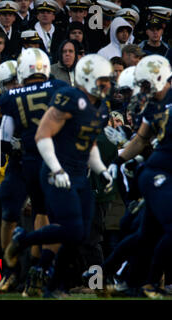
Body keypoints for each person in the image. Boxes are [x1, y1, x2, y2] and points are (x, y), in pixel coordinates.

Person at [4, 54, 114, 296]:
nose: (106, 84)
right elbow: (42, 135)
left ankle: (50, 280)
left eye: (108, 79)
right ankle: (25, 243)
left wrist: (102, 170)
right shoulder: (70, 97)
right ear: (88, 78)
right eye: (102, 79)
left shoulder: (102, 107)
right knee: (72, 228)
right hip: (57, 170)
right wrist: (56, 168)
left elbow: (90, 144)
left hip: (78, 173)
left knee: (81, 234)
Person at [0, 48, 69, 295]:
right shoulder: (59, 87)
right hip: (52, 159)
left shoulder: (10, 96)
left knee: (9, 214)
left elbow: (4, 139)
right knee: (45, 214)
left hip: (22, 160)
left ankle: (12, 271)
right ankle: (38, 270)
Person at [102, 55, 172, 299]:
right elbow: (141, 139)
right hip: (157, 173)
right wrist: (117, 161)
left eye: (145, 84)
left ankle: (115, 276)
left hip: (162, 172)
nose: (144, 90)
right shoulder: (154, 105)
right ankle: (150, 282)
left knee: (146, 235)